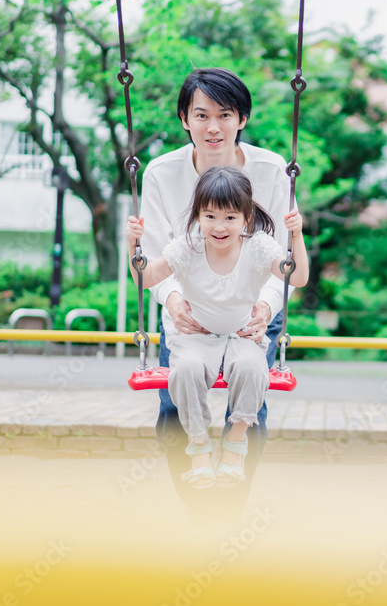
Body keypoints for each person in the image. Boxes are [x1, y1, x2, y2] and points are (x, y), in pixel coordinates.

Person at [139, 68, 293, 517]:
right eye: (201, 114)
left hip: (252, 308)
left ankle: (231, 505)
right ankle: (197, 501)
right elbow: (152, 258)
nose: (213, 127)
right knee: (173, 408)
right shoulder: (161, 174)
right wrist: (171, 300)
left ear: (241, 118)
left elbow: (280, 260)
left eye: (225, 115)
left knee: (250, 408)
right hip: (188, 312)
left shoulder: (270, 170)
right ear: (184, 118)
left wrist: (266, 305)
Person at [127, 166, 309, 488]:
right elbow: (148, 278)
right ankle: (198, 446)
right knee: (184, 372)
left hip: (242, 336)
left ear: (246, 217)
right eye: (210, 216)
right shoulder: (188, 245)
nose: (219, 226)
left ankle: (235, 445)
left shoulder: (259, 245)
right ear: (198, 215)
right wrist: (134, 247)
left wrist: (296, 235)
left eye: (229, 217)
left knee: (254, 370)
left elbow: (296, 277)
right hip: (196, 337)